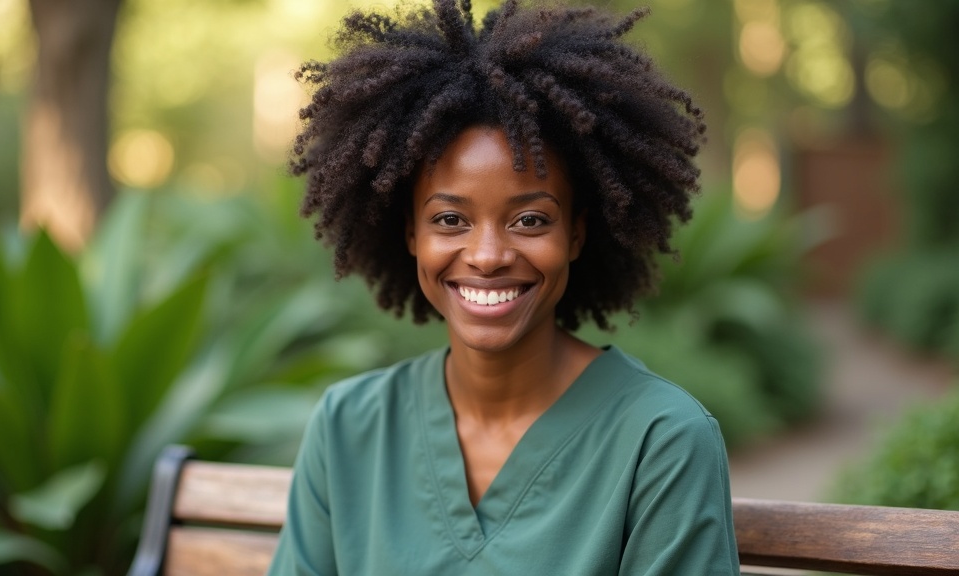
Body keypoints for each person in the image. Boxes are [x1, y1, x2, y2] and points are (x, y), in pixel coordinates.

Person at [268, 0, 740, 574]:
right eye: (450, 220)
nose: (488, 256)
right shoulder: (349, 426)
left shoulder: (660, 441)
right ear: (411, 234)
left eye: (531, 220)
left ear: (576, 234)